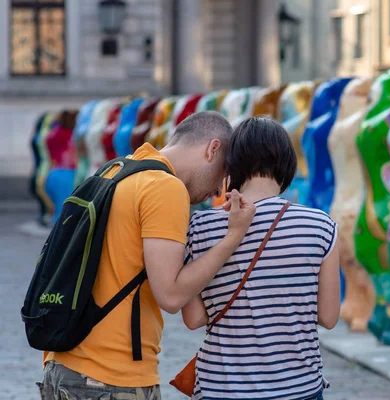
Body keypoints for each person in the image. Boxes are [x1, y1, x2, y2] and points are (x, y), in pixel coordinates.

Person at [38, 111, 257, 399]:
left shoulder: (117, 171)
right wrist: (233, 237)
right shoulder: (165, 187)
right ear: (212, 149)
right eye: (223, 173)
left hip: (62, 364)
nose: (219, 188)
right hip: (111, 377)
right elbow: (171, 295)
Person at [182, 117, 341, 400]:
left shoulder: (200, 227)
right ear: (287, 163)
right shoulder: (321, 225)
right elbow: (328, 318)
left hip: (222, 387)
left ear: (231, 164)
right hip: (298, 387)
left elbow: (194, 319)